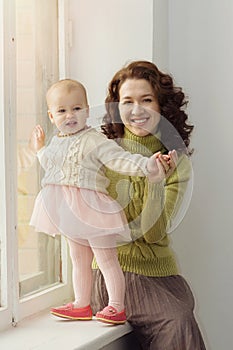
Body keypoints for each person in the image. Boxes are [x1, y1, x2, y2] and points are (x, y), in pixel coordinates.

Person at [29, 78, 174, 325]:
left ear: (87, 111)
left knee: (106, 259)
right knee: (78, 258)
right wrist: (40, 149)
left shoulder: (94, 140)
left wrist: (149, 165)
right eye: (62, 111)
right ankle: (81, 304)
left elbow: (121, 159)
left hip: (93, 209)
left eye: (77, 108)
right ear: (51, 117)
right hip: (68, 211)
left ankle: (116, 306)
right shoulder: (57, 141)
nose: (70, 115)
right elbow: (51, 166)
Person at [90, 61, 207, 349]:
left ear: (161, 106)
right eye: (127, 102)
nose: (137, 110)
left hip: (161, 273)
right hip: (116, 273)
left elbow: (154, 232)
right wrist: (153, 179)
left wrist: (155, 180)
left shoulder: (178, 163)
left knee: (184, 317)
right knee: (179, 324)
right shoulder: (105, 155)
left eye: (146, 100)